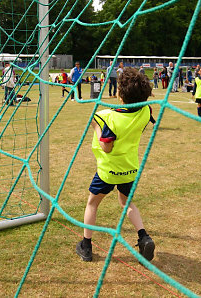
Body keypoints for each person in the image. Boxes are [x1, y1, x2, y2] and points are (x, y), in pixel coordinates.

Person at [76, 67, 156, 262]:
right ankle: (143, 237)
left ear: (119, 94)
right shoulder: (146, 111)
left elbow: (106, 148)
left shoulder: (106, 116)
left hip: (107, 172)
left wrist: (96, 126)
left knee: (92, 204)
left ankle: (86, 245)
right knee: (126, 203)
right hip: (129, 169)